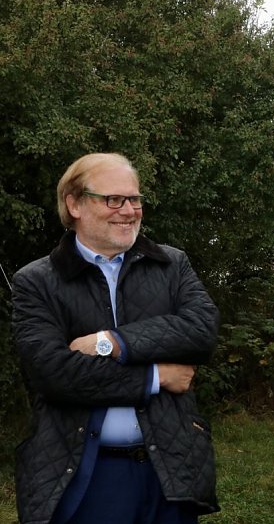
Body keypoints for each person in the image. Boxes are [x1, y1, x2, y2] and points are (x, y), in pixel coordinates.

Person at [11, 153, 219, 524]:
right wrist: (157, 376)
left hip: (170, 472)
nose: (129, 210)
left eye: (134, 199)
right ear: (74, 204)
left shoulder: (171, 265)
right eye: (113, 200)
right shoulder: (37, 281)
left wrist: (112, 341)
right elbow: (54, 374)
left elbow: (202, 331)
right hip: (85, 474)